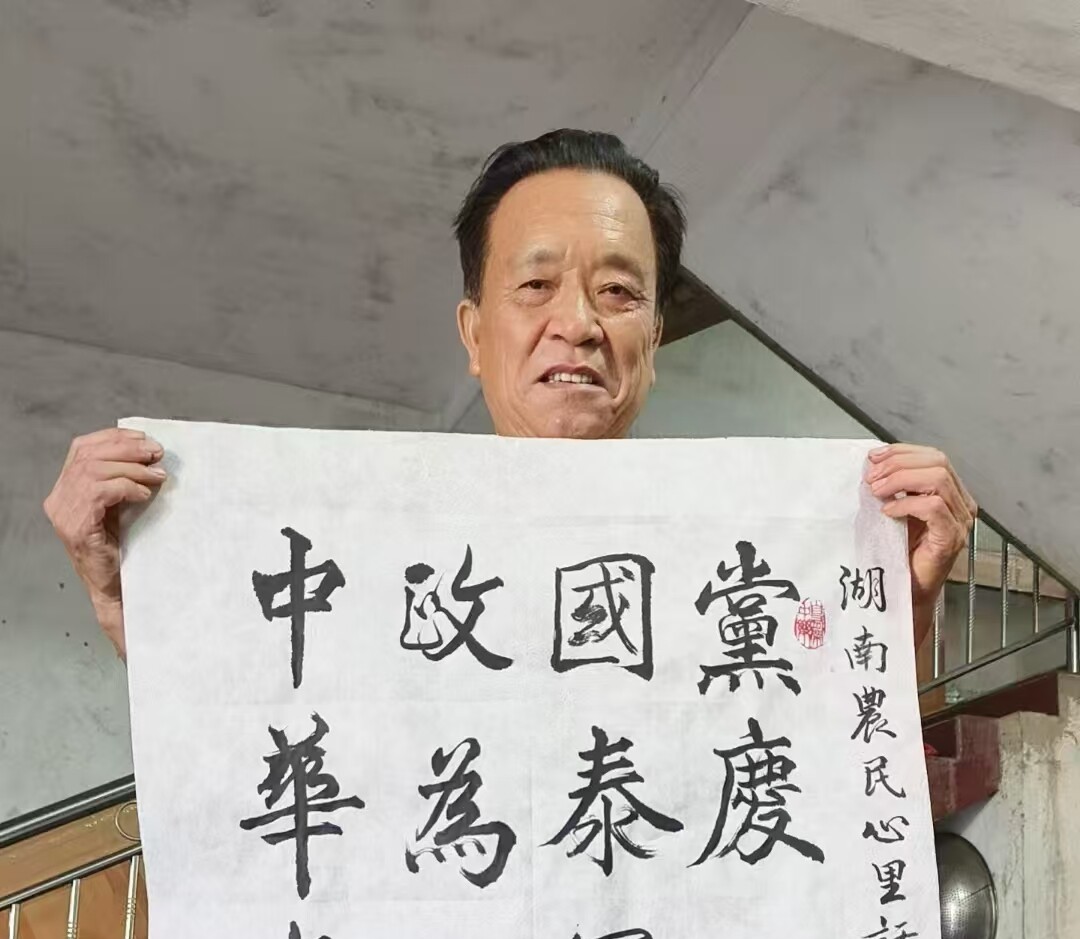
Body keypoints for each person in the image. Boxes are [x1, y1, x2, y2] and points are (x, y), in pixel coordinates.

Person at [44, 128, 976, 660]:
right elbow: (248, 709)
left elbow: (822, 757)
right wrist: (123, 594)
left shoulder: (742, 562)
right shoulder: (371, 545)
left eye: (619, 293)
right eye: (535, 285)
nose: (578, 322)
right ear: (473, 334)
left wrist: (903, 606)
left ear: (653, 339)